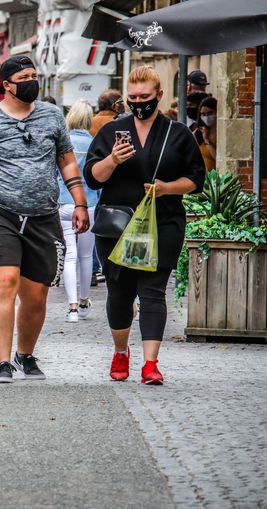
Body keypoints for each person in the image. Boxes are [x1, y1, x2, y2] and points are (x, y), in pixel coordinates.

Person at [0, 55, 90, 383]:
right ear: (7, 85)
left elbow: (67, 163)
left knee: (36, 293)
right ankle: (1, 362)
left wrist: (80, 202)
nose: (31, 81)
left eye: (33, 75)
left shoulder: (53, 116)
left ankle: (24, 354)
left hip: (42, 215)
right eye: (24, 76)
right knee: (4, 282)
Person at [85, 65, 205, 385]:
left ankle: (150, 364)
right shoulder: (112, 131)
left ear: (159, 96)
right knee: (120, 292)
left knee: (152, 292)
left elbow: (196, 180)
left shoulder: (176, 133)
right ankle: (121, 352)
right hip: (117, 225)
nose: (139, 102)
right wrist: (112, 160)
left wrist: (167, 188)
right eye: (133, 97)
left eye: (145, 96)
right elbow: (92, 177)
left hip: (162, 223)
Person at [57, 99, 99, 323]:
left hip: (64, 203)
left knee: (69, 255)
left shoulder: (64, 143)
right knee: (85, 256)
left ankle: (72, 307)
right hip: (89, 204)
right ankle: (83, 302)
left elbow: (55, 176)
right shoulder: (93, 144)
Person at [193, 96, 217, 171]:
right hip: (200, 177)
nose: (206, 117)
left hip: (216, 178)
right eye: (203, 114)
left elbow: (218, 158)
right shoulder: (197, 133)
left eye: (210, 113)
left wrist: (206, 140)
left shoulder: (222, 134)